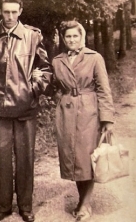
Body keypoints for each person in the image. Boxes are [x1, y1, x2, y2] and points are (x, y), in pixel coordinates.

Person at [0, 0, 52, 222]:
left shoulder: (32, 36)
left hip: (26, 109)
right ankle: (4, 206)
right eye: (5, 11)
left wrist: (34, 89)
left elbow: (46, 69)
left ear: (20, 12)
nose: (9, 16)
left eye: (13, 12)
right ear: (0, 11)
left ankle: (26, 206)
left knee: (25, 158)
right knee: (2, 159)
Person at [51, 20, 115, 221]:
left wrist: (107, 119)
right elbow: (54, 86)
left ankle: (85, 204)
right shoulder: (57, 60)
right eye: (68, 36)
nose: (71, 39)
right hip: (66, 112)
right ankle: (82, 200)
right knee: (73, 159)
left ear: (82, 37)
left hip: (89, 112)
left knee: (87, 158)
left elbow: (104, 89)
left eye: (75, 36)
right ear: (64, 39)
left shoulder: (94, 58)